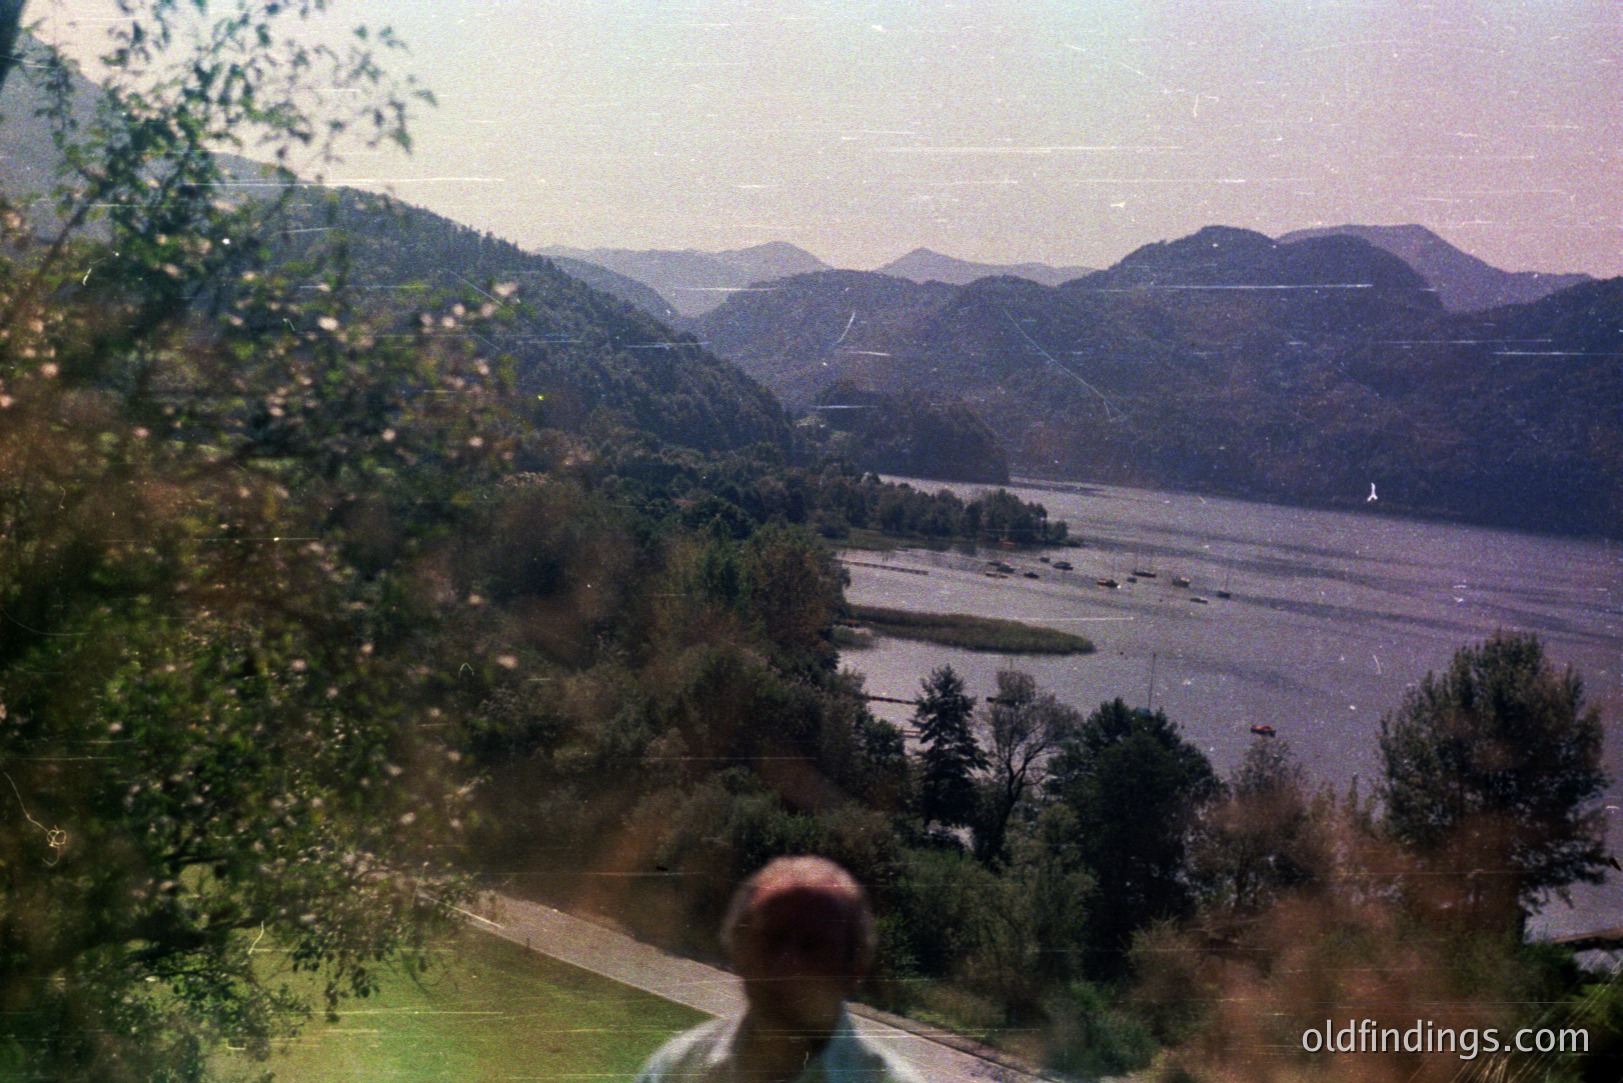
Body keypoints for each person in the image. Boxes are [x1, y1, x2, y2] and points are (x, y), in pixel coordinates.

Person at [636, 855, 924, 1082]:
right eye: (772, 939)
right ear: (738, 951)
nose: (787, 964)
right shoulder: (676, 1069)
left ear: (854, 972)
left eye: (813, 946)